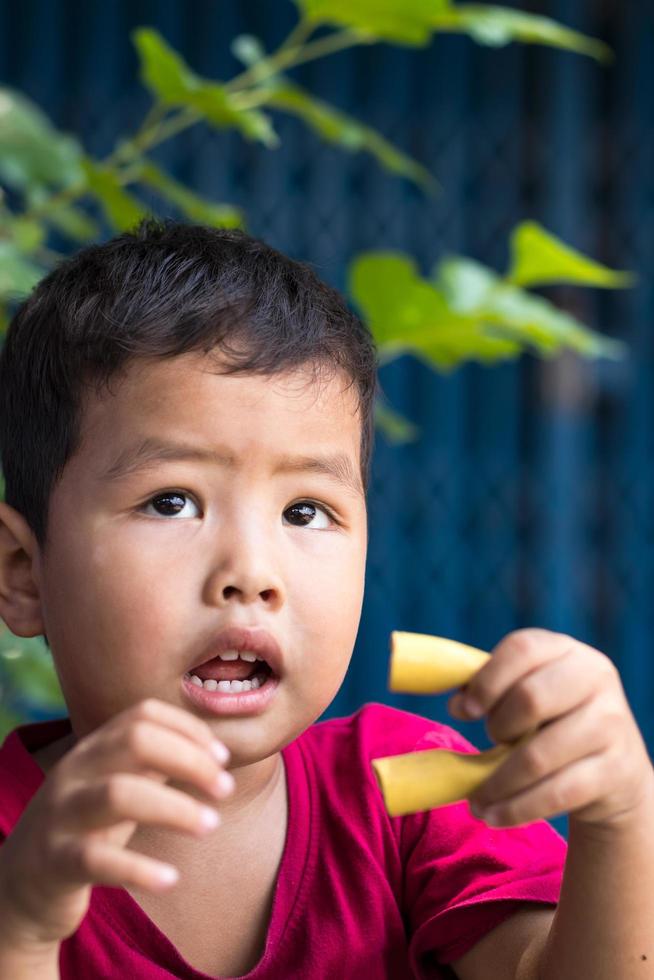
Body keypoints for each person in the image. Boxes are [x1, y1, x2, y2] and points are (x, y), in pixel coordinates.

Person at [0, 220, 650, 980]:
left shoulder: (405, 800)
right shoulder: (18, 852)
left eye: (305, 511)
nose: (251, 572)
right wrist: (24, 922)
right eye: (172, 501)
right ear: (23, 573)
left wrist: (622, 816)